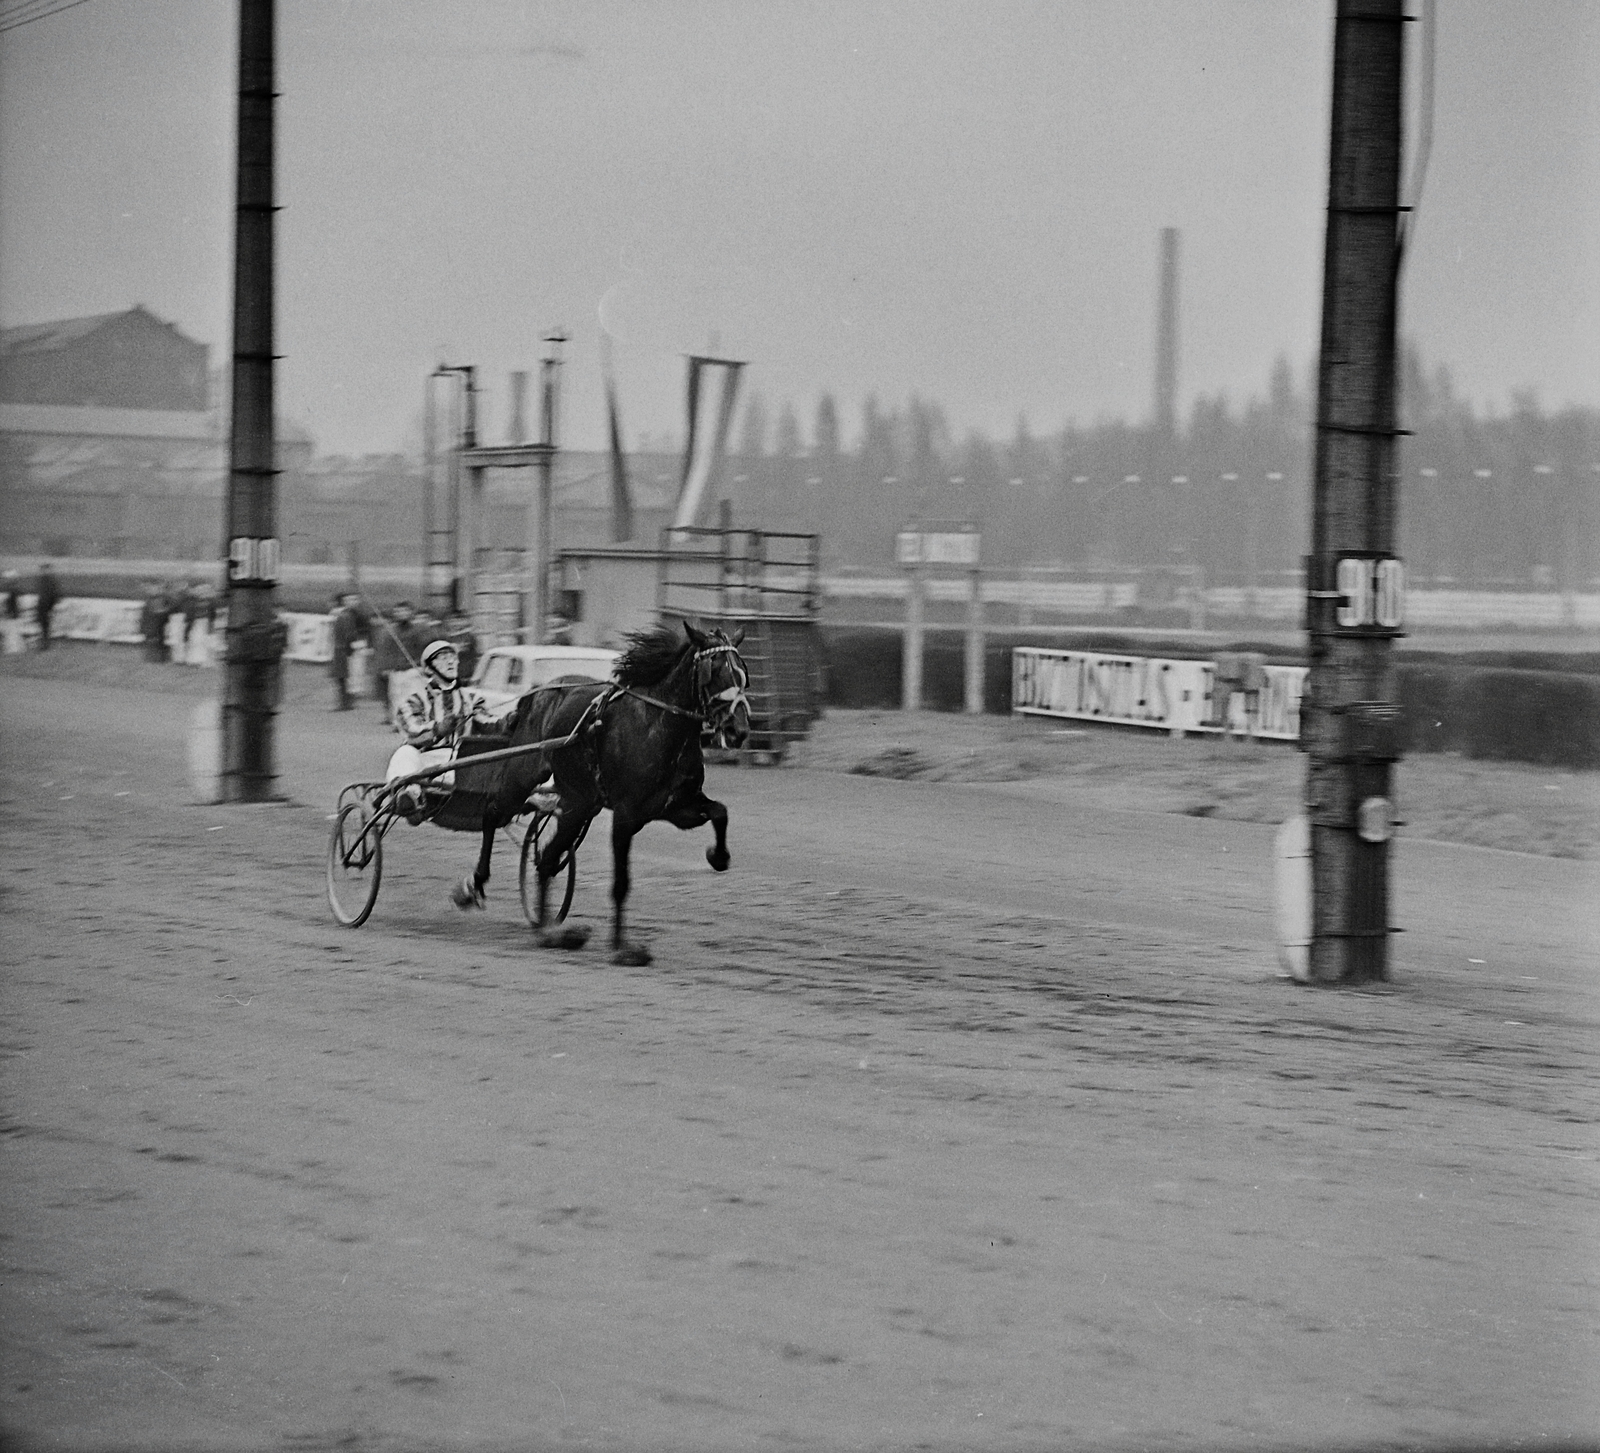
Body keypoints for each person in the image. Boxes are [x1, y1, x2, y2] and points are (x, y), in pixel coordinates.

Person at [384, 639, 499, 822]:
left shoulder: (472, 699)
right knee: (404, 752)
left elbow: (487, 722)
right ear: (429, 669)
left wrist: (508, 721)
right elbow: (412, 731)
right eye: (443, 658)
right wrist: (438, 729)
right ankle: (409, 797)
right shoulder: (414, 700)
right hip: (426, 765)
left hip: (462, 764)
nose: (451, 661)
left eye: (453, 657)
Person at [370, 601, 417, 725]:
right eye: (399, 611)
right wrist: (385, 667)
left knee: (412, 696)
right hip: (396, 669)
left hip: (412, 668)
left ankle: (412, 720)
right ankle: (398, 722)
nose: (402, 614)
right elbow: (386, 651)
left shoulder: (418, 630)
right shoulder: (389, 631)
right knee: (396, 696)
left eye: (405, 611)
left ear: (411, 613)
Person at [328, 592, 364, 711]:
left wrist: (349, 649)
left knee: (345, 676)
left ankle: (346, 702)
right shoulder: (343, 614)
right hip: (342, 649)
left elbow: (350, 634)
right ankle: (345, 702)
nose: (350, 602)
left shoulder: (347, 616)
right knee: (342, 677)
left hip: (344, 650)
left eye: (353, 600)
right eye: (348, 600)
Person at [139, 581, 169, 663]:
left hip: (158, 624)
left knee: (158, 641)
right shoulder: (149, 599)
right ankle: (151, 658)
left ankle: (159, 658)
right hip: (150, 624)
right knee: (150, 640)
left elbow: (162, 611)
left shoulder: (162, 599)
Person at [33, 563, 60, 651]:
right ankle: (44, 642)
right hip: (43, 604)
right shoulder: (45, 579)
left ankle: (45, 644)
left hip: (45, 605)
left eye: (43, 569)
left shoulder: (49, 580)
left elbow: (54, 594)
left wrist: (51, 606)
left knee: (45, 625)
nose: (42, 571)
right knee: (43, 625)